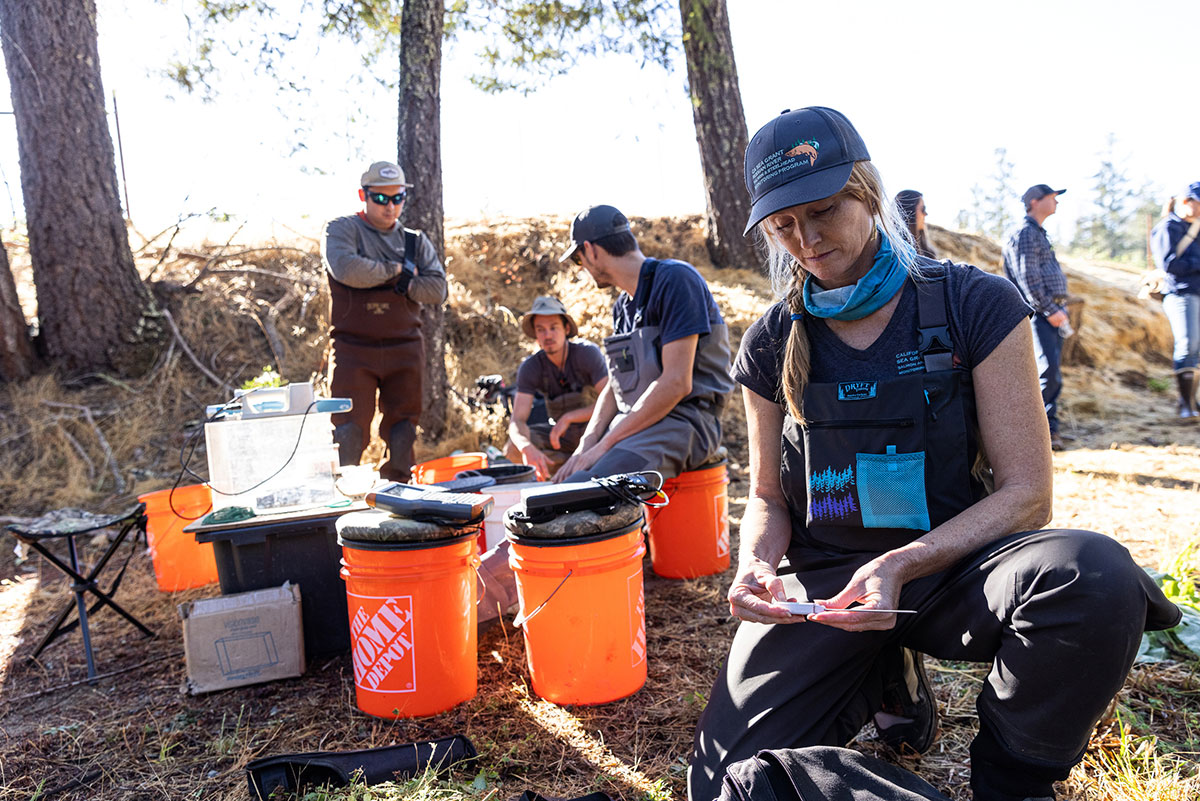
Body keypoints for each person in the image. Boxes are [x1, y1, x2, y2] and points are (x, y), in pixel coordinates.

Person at [687, 106, 1179, 801]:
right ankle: (884, 676)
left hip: (953, 568)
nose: (806, 239)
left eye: (823, 211)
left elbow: (1027, 494)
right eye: (783, 225)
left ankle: (1011, 783)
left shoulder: (975, 303)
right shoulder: (769, 342)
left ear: (868, 190)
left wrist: (902, 563)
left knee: (1093, 575)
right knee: (721, 787)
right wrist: (758, 562)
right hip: (826, 588)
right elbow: (768, 497)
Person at [554, 204, 734, 482]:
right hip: (638, 425)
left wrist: (604, 446)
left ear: (591, 250)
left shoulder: (676, 280)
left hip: (687, 422)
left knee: (589, 488)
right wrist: (585, 446)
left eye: (578, 260)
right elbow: (615, 388)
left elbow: (676, 383)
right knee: (565, 484)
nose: (583, 269)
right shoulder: (621, 308)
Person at [321, 160, 447, 481]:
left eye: (397, 198)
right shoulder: (341, 229)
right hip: (353, 348)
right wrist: (400, 272)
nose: (390, 207)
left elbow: (436, 289)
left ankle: (399, 494)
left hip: (404, 347)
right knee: (349, 430)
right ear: (363, 195)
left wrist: (380, 273)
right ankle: (343, 498)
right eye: (380, 198)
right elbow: (349, 271)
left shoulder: (415, 241)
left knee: (403, 430)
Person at [505, 296, 609, 478]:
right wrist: (526, 447)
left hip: (595, 433)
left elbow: (612, 400)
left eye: (553, 328)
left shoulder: (587, 354)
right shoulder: (530, 367)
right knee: (513, 447)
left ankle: (590, 472)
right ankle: (548, 482)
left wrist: (569, 417)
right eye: (541, 330)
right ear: (536, 335)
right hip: (560, 441)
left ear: (566, 329)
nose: (548, 335)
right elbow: (517, 421)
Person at [1001, 184, 1071, 451]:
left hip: (1048, 313)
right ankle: (1034, 436)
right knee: (1046, 373)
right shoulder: (1025, 234)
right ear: (1034, 201)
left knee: (1051, 373)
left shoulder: (1038, 234)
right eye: (1052, 197)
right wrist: (1050, 310)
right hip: (1040, 315)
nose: (1057, 202)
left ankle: (1048, 430)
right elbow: (1028, 277)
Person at [1149, 183, 1200, 419]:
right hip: (1181, 293)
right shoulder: (1168, 227)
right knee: (1187, 343)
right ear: (1186, 201)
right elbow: (1169, 264)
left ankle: (1193, 402)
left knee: (1196, 348)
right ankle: (1185, 404)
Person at [894, 189, 936, 258]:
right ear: (909, 213)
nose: (926, 214)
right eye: (923, 209)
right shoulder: (896, 253)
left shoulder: (927, 251)